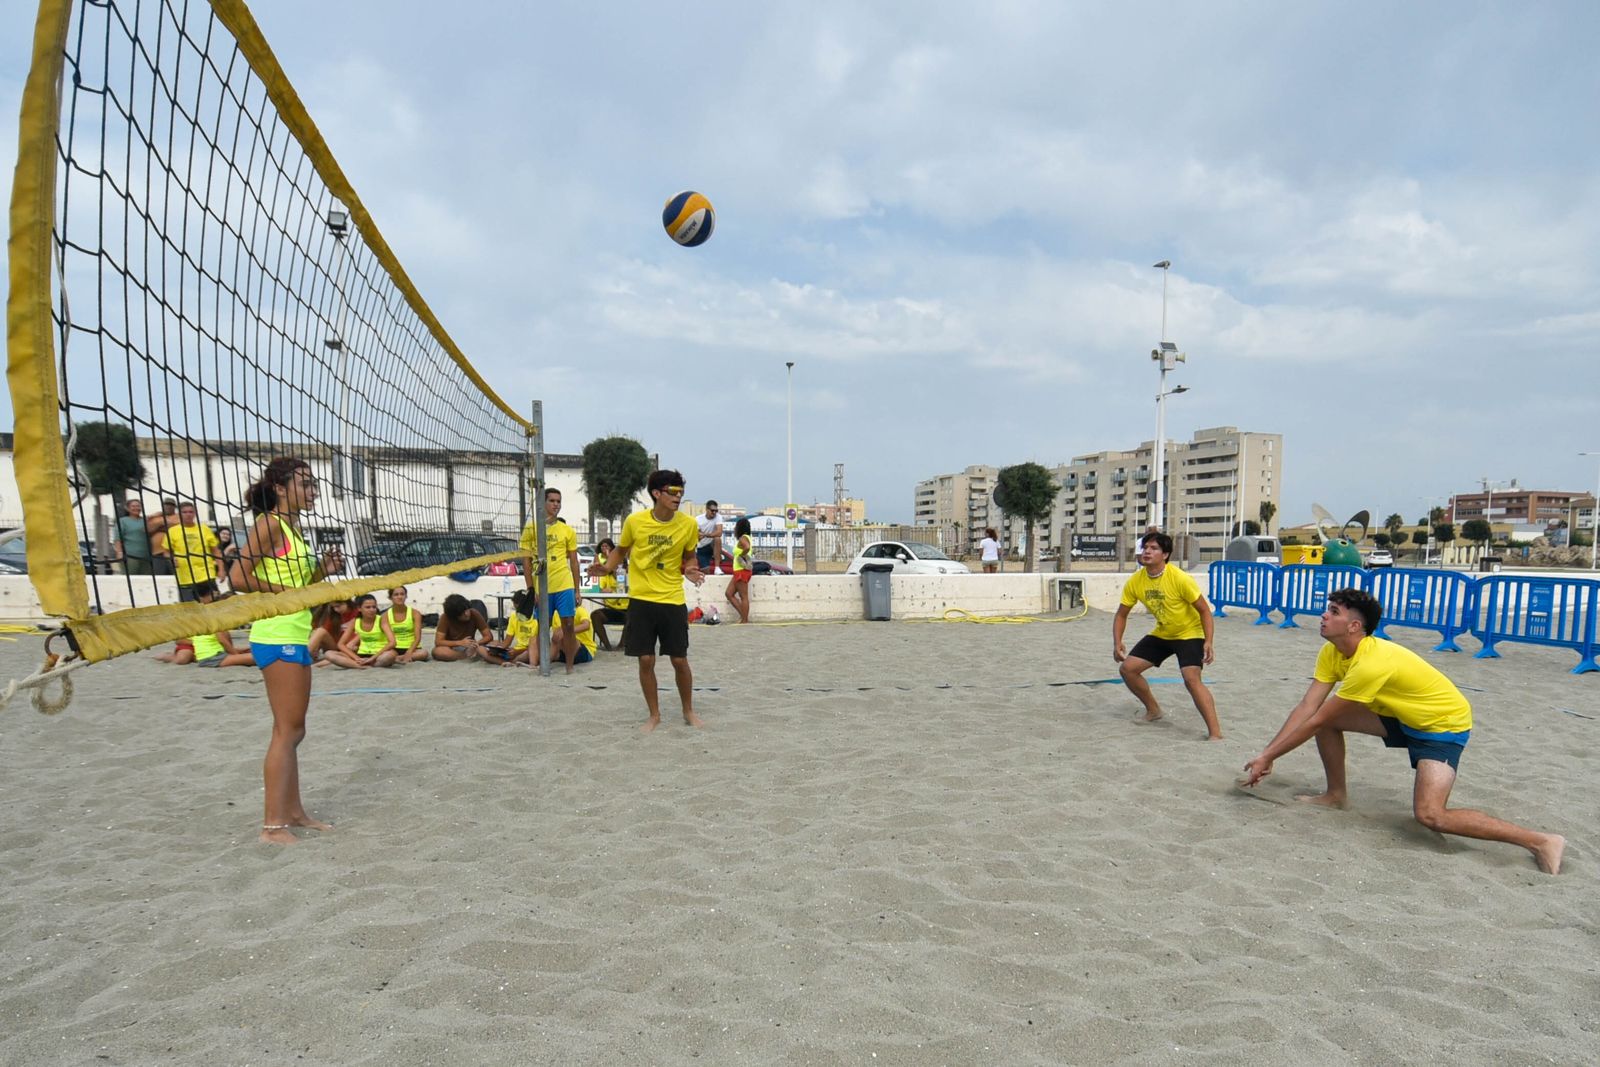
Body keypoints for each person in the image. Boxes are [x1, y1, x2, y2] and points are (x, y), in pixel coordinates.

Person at [1241, 587, 1564, 874]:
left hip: (1441, 725)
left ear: (1355, 626)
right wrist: (1267, 754)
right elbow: (1306, 708)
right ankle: (1336, 795)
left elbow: (1314, 719)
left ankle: (1540, 841)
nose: (1323, 615)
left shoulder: (1371, 662)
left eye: (1333, 612)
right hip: (1400, 715)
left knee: (1431, 815)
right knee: (1328, 721)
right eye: (1328, 608)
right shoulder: (1332, 651)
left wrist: (1269, 756)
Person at [227, 458, 343, 846]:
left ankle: (293, 812)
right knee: (286, 731)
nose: (313, 491)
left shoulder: (293, 530)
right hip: (276, 634)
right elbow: (238, 577)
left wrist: (321, 571)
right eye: (305, 484)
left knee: (295, 730)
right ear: (280, 487)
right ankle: (272, 826)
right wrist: (285, 596)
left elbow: (298, 587)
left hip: (292, 630)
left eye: (314, 485)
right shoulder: (270, 523)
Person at [589, 468, 706, 732]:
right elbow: (621, 550)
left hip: (672, 599)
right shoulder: (636, 521)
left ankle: (688, 711)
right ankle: (654, 715)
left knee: (679, 660)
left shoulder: (688, 524)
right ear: (657, 493)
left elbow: (689, 556)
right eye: (673, 492)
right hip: (641, 599)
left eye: (681, 492)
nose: (679, 497)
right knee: (645, 660)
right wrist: (607, 568)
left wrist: (690, 568)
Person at [1112, 530, 1222, 740]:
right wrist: (1117, 642)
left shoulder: (1180, 578)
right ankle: (1153, 711)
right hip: (1163, 632)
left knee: (1191, 679)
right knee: (1128, 669)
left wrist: (1208, 641)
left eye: (1153, 548)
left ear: (1165, 555)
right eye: (1145, 547)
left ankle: (1215, 733)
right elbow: (1121, 615)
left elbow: (1204, 610)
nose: (1147, 552)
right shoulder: (1136, 581)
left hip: (1190, 633)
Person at [521, 487, 582, 673]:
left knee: (569, 625)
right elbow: (526, 561)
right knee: (543, 627)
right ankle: (542, 664)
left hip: (564, 583)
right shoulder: (532, 528)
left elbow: (573, 561)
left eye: (558, 501)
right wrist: (531, 589)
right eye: (552, 501)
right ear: (543, 503)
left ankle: (569, 666)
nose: (556, 504)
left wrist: (577, 590)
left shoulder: (567, 531)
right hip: (542, 585)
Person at [152, 580, 254, 666]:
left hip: (209, 650)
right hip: (201, 650)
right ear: (201, 598)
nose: (214, 596)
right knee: (182, 659)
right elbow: (180, 640)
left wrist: (233, 651)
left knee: (251, 653)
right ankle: (166, 656)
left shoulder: (214, 613)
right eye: (212, 595)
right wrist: (234, 654)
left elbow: (223, 637)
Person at [169, 501, 222, 602]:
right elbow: (166, 551)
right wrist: (171, 558)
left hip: (206, 574)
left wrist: (221, 569)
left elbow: (216, 551)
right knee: (189, 610)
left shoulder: (204, 529)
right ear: (179, 514)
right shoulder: (172, 531)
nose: (188, 514)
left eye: (190, 512)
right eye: (184, 512)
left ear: (195, 513)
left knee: (213, 605)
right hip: (185, 576)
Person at [333, 593, 398, 668]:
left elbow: (392, 642)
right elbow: (340, 644)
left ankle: (362, 665)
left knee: (391, 655)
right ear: (359, 608)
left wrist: (373, 658)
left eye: (374, 607)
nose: (372, 610)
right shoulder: (355, 621)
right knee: (330, 654)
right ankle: (362, 665)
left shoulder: (381, 620)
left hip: (379, 655)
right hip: (361, 654)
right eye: (368, 607)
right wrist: (356, 658)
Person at [586, 537, 628, 651]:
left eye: (618, 565)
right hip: (611, 608)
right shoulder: (606, 575)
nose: (615, 567)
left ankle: (621, 645)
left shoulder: (628, 576)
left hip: (626, 609)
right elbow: (599, 588)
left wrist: (615, 589)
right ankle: (608, 646)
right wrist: (602, 590)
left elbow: (631, 589)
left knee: (633, 616)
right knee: (595, 615)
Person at [528, 602, 598, 668]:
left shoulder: (579, 610)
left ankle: (546, 662)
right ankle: (533, 665)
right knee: (533, 639)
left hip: (584, 649)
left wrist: (568, 630)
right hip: (562, 650)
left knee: (563, 634)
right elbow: (555, 639)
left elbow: (586, 625)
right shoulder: (556, 614)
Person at [433, 593, 493, 661]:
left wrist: (476, 643)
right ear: (454, 616)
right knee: (438, 651)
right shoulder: (445, 617)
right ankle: (465, 655)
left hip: (471, 646)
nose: (467, 614)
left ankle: (472, 654)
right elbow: (438, 642)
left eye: (467, 610)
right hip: (452, 647)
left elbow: (488, 636)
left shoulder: (474, 613)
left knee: (495, 644)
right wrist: (459, 642)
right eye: (463, 613)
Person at [483, 589, 536, 666]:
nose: (517, 611)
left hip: (529, 650)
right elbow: (507, 642)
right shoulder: (514, 616)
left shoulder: (536, 618)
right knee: (483, 648)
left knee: (526, 654)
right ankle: (505, 661)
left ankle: (506, 661)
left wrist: (518, 651)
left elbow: (535, 645)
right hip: (515, 650)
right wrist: (497, 648)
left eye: (519, 608)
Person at [384, 585, 429, 663]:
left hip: (412, 647)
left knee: (424, 653)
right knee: (387, 656)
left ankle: (398, 658)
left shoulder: (415, 613)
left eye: (402, 594)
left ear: (406, 596)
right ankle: (399, 658)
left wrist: (409, 652)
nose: (400, 597)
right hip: (394, 647)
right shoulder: (385, 615)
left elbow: (418, 637)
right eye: (396, 595)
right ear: (390, 598)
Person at [114, 498, 156, 575]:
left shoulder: (146, 520)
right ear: (127, 508)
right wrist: (119, 553)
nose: (136, 508)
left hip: (146, 557)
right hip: (130, 557)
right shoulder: (123, 521)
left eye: (138, 506)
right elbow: (118, 539)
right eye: (133, 506)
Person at [725, 517, 753, 623]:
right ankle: (743, 616)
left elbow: (746, 548)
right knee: (729, 593)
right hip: (739, 571)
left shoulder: (742, 538)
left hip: (742, 571)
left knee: (743, 596)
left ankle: (744, 620)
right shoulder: (747, 537)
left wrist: (740, 555)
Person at [695, 500, 725, 574]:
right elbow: (697, 535)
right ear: (707, 510)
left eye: (716, 510)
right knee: (706, 572)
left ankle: (717, 568)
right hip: (701, 548)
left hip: (711, 545)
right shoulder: (698, 519)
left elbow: (719, 532)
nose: (714, 513)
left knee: (717, 539)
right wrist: (700, 535)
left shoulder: (718, 517)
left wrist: (705, 535)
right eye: (712, 510)